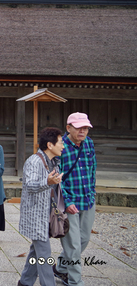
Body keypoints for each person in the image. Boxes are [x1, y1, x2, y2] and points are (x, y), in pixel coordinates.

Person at [53, 112, 96, 286]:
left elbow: (92, 170)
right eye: (79, 128)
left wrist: (92, 192)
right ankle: (74, 281)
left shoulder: (89, 144)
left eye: (85, 128)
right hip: (68, 202)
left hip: (87, 199)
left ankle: (62, 268)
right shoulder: (59, 146)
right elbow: (56, 178)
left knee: (84, 239)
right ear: (68, 127)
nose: (82, 131)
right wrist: (67, 201)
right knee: (73, 246)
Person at [18, 127, 65, 286]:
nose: (63, 145)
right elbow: (29, 186)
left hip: (46, 215)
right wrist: (47, 182)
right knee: (45, 256)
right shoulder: (34, 161)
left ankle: (25, 282)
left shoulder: (53, 162)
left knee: (36, 251)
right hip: (36, 216)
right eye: (60, 142)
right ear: (50, 145)